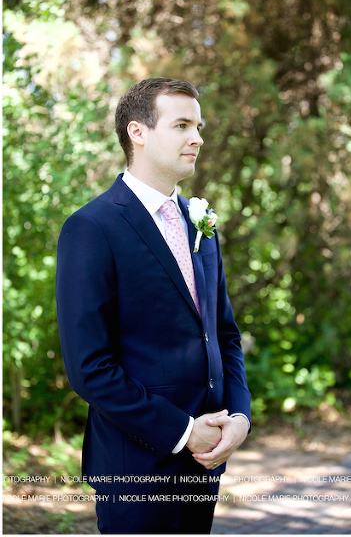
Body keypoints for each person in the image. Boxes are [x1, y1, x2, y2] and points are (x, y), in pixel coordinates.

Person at [56, 78, 251, 533]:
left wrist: (240, 416)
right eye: (182, 124)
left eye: (198, 125)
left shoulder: (201, 224)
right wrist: (183, 432)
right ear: (137, 132)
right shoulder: (92, 228)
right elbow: (89, 367)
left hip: (205, 467)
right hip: (137, 469)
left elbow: (224, 335)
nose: (198, 137)